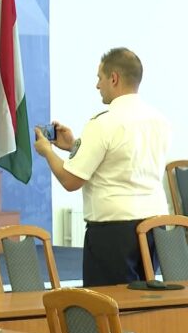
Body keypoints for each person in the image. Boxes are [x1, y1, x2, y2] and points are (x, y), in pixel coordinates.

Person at [33, 47, 170, 287]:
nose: (97, 85)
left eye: (100, 78)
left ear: (113, 78)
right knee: (145, 299)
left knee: (108, 302)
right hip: (155, 226)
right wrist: (74, 146)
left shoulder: (103, 123)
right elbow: (122, 159)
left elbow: (70, 181)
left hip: (115, 231)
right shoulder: (159, 120)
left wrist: (48, 151)